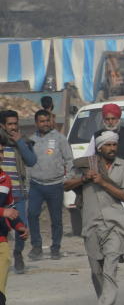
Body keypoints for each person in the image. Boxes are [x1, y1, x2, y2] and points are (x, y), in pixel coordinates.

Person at [63, 132, 124, 305]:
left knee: (110, 266)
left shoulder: (123, 166)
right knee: (96, 271)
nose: (112, 148)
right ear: (99, 148)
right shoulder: (84, 165)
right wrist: (84, 179)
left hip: (115, 225)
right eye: (107, 145)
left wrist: (102, 182)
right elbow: (66, 184)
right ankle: (108, 303)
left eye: (114, 144)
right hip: (91, 224)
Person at [27, 109, 72, 260]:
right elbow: (27, 163)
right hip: (36, 185)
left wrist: (68, 178)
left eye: (47, 120)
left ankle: (55, 248)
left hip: (55, 184)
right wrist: (27, 183)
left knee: (56, 219)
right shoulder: (31, 140)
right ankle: (36, 247)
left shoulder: (60, 138)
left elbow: (69, 159)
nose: (45, 124)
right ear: (36, 123)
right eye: (42, 121)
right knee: (32, 215)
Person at [1, 111, 37, 273]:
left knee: (22, 228)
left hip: (19, 192)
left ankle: (18, 253)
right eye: (10, 124)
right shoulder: (1, 143)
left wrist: (20, 143)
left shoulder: (23, 142)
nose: (13, 127)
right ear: (2, 125)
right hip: (2, 195)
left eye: (15, 123)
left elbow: (31, 161)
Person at [0, 164, 26, 305]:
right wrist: (2, 213)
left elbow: (10, 206)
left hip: (1, 243)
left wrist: (19, 225)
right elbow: (4, 210)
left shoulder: (5, 179)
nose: (0, 155)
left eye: (1, 151)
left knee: (0, 295)